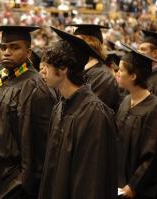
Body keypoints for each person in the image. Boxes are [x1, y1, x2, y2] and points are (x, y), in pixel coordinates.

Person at [38, 27, 118, 199]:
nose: (42, 72)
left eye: (47, 66)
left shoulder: (94, 114)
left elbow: (90, 182)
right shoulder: (59, 108)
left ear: (63, 69)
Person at [0, 25, 55, 198]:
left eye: (14, 47)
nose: (6, 52)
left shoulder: (35, 87)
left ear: (28, 53)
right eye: (4, 47)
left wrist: (20, 187)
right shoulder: (0, 80)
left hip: (14, 185)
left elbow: (36, 152)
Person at [116, 44, 157, 199]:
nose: (117, 73)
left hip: (140, 190)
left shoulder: (153, 108)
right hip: (119, 182)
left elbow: (152, 156)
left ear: (133, 76)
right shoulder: (126, 101)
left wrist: (134, 185)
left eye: (121, 70)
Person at [68, 24, 120, 111]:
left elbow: (91, 111)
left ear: (91, 43)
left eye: (77, 40)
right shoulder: (76, 68)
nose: (71, 45)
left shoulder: (104, 77)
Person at [138, 30, 157, 96]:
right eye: (139, 49)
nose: (139, 52)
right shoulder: (141, 73)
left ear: (154, 53)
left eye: (143, 49)